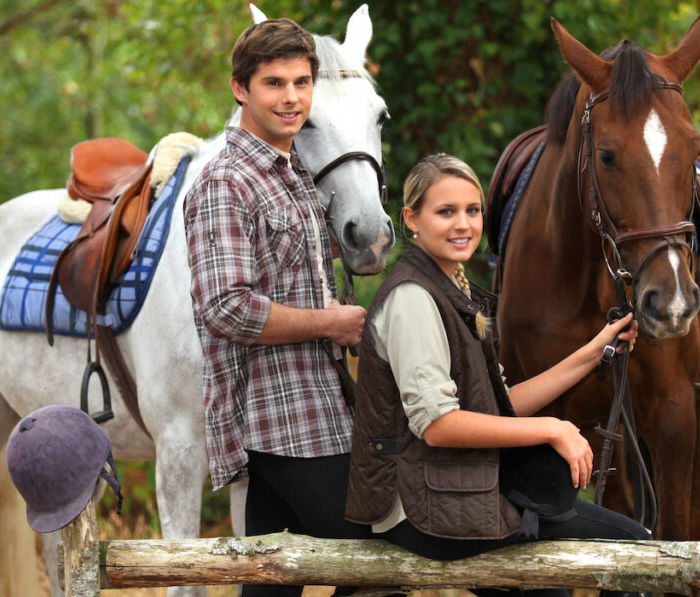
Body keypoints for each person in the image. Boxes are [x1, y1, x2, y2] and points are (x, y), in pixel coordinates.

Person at [345, 154, 651, 597]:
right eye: (445, 212)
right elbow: (438, 425)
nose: (463, 225)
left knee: (556, 584)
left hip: (455, 488)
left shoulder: (449, 286)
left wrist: (595, 350)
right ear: (411, 218)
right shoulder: (413, 298)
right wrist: (550, 428)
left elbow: (498, 404)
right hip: (422, 506)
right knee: (633, 550)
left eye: (472, 211)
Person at [184, 17, 370, 597]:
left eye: (301, 82)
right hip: (278, 421)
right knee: (378, 562)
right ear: (240, 89)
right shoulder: (226, 181)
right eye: (274, 83)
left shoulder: (293, 176)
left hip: (315, 407)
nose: (291, 98)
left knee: (270, 581)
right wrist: (330, 322)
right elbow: (227, 308)